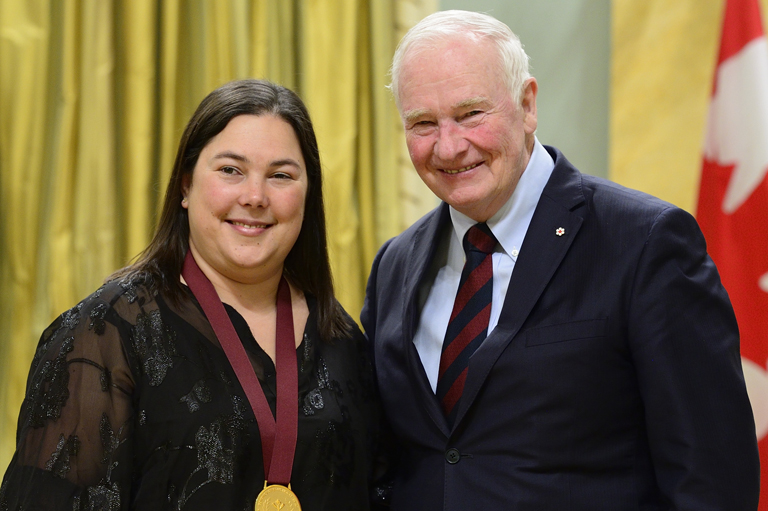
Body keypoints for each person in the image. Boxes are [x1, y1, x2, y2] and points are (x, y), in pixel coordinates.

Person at [361, 10, 760, 510]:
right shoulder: (395, 265)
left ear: (527, 105)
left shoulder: (645, 243)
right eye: (423, 123)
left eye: (470, 114)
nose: (448, 145)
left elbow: (713, 482)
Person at [1, 79, 382, 510]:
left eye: (280, 176)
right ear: (185, 186)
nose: (255, 196)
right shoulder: (105, 334)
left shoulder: (343, 337)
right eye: (230, 170)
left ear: (307, 195)